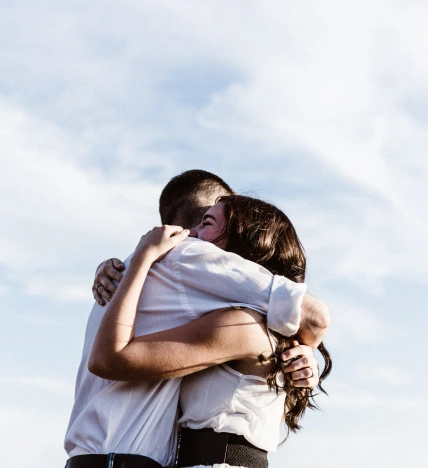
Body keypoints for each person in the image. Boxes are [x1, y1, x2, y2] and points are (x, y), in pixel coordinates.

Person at [64, 170, 329, 468]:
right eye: (204, 221)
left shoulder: (244, 325)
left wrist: (304, 349)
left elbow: (315, 317)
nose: (193, 238)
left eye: (208, 224)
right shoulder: (186, 273)